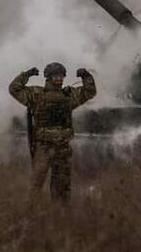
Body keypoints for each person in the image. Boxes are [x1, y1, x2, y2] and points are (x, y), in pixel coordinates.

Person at [8, 62, 96, 201]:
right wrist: (26, 75)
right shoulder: (36, 94)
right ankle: (33, 213)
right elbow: (14, 89)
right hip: (43, 146)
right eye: (55, 76)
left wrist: (86, 76)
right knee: (36, 183)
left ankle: (59, 216)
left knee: (62, 186)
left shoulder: (68, 95)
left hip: (62, 147)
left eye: (61, 76)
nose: (59, 79)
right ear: (48, 77)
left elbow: (89, 92)